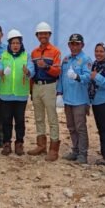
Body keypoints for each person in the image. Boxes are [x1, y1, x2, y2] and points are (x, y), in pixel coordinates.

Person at [0, 29, 33, 156]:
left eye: (17, 43)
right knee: (6, 120)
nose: (15, 45)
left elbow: (31, 71)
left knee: (20, 121)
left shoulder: (26, 56)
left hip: (21, 95)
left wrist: (27, 71)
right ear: (9, 44)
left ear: (21, 44)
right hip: (6, 95)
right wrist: (2, 72)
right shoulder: (3, 55)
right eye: (13, 43)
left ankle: (19, 143)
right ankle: (6, 143)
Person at [28, 21, 62, 161]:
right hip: (36, 86)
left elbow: (58, 71)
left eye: (45, 33)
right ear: (37, 35)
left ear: (49, 35)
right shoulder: (34, 52)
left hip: (49, 86)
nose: (43, 35)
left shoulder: (55, 51)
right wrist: (31, 90)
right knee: (39, 117)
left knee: (52, 118)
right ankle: (41, 145)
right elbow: (32, 72)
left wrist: (47, 67)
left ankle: (54, 149)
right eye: (40, 33)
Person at [57, 33, 92, 163]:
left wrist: (77, 77)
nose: (74, 46)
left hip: (80, 99)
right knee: (71, 126)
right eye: (72, 44)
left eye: (77, 44)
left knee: (80, 127)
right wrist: (59, 93)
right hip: (68, 99)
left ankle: (83, 154)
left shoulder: (86, 60)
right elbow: (61, 77)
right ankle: (75, 150)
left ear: (82, 45)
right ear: (68, 45)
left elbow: (88, 77)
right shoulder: (66, 59)